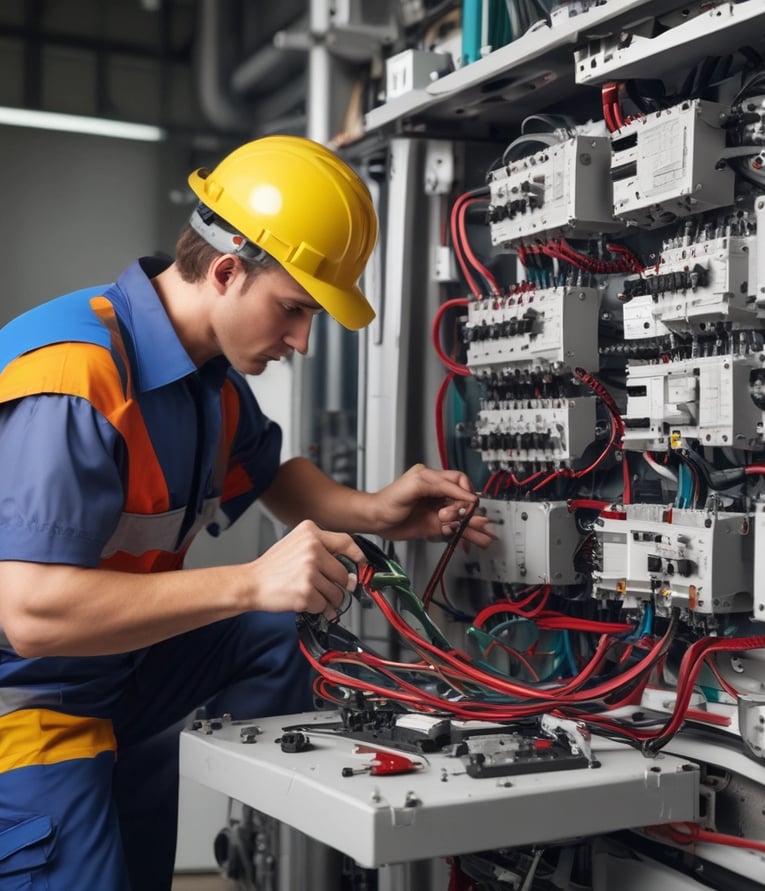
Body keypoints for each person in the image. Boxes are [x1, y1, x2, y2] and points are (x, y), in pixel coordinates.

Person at [0, 135, 492, 890]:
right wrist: (250, 580)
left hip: (113, 675)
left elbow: (272, 474)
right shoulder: (77, 376)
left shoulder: (210, 386)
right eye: (293, 309)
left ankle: (276, 810)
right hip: (26, 697)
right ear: (227, 270)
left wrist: (379, 511)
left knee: (276, 628)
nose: (300, 340)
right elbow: (32, 615)